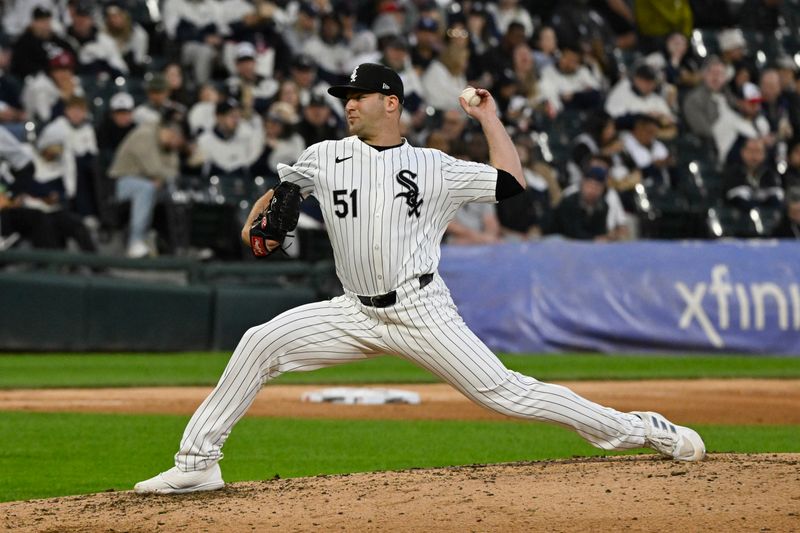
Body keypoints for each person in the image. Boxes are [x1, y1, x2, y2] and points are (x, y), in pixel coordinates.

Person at [133, 62, 705, 495]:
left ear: (391, 102)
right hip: (353, 310)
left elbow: (512, 184)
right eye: (345, 97)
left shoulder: (434, 166)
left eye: (357, 97)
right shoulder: (326, 154)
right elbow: (284, 193)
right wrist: (255, 224)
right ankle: (197, 464)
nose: (348, 106)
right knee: (259, 343)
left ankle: (640, 429)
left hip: (420, 309)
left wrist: (488, 118)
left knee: (507, 394)